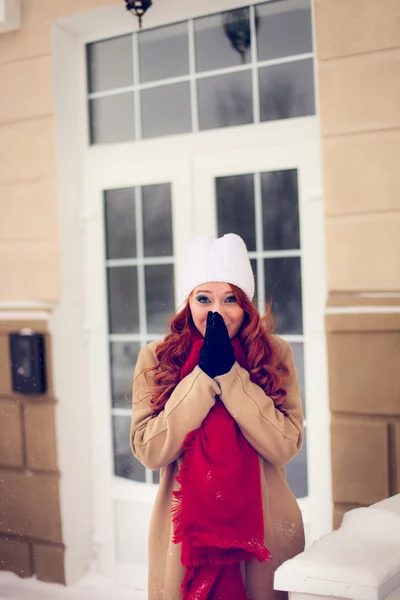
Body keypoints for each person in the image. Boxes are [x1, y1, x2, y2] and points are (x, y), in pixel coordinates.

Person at [131, 233, 305, 600]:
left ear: (246, 305)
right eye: (203, 298)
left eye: (230, 299)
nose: (217, 311)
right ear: (188, 302)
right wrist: (202, 379)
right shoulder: (158, 358)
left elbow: (285, 445)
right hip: (186, 541)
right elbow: (150, 451)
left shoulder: (274, 354)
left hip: (263, 535)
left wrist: (230, 376)